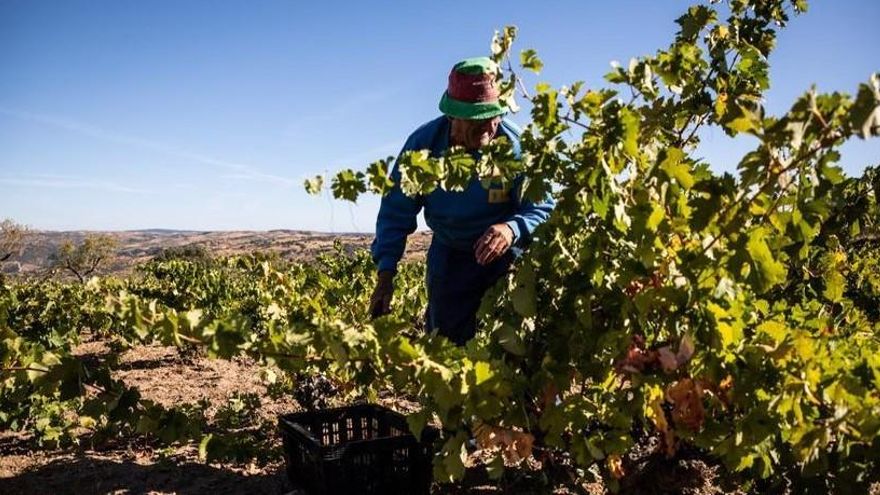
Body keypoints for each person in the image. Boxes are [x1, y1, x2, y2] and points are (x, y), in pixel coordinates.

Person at [368, 56, 554, 345]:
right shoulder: (423, 147)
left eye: (492, 121)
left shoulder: (518, 148)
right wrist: (386, 274)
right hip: (450, 253)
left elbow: (542, 206)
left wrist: (512, 229)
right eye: (474, 124)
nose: (488, 130)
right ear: (453, 117)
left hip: (505, 258)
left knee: (512, 348)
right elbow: (396, 212)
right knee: (446, 344)